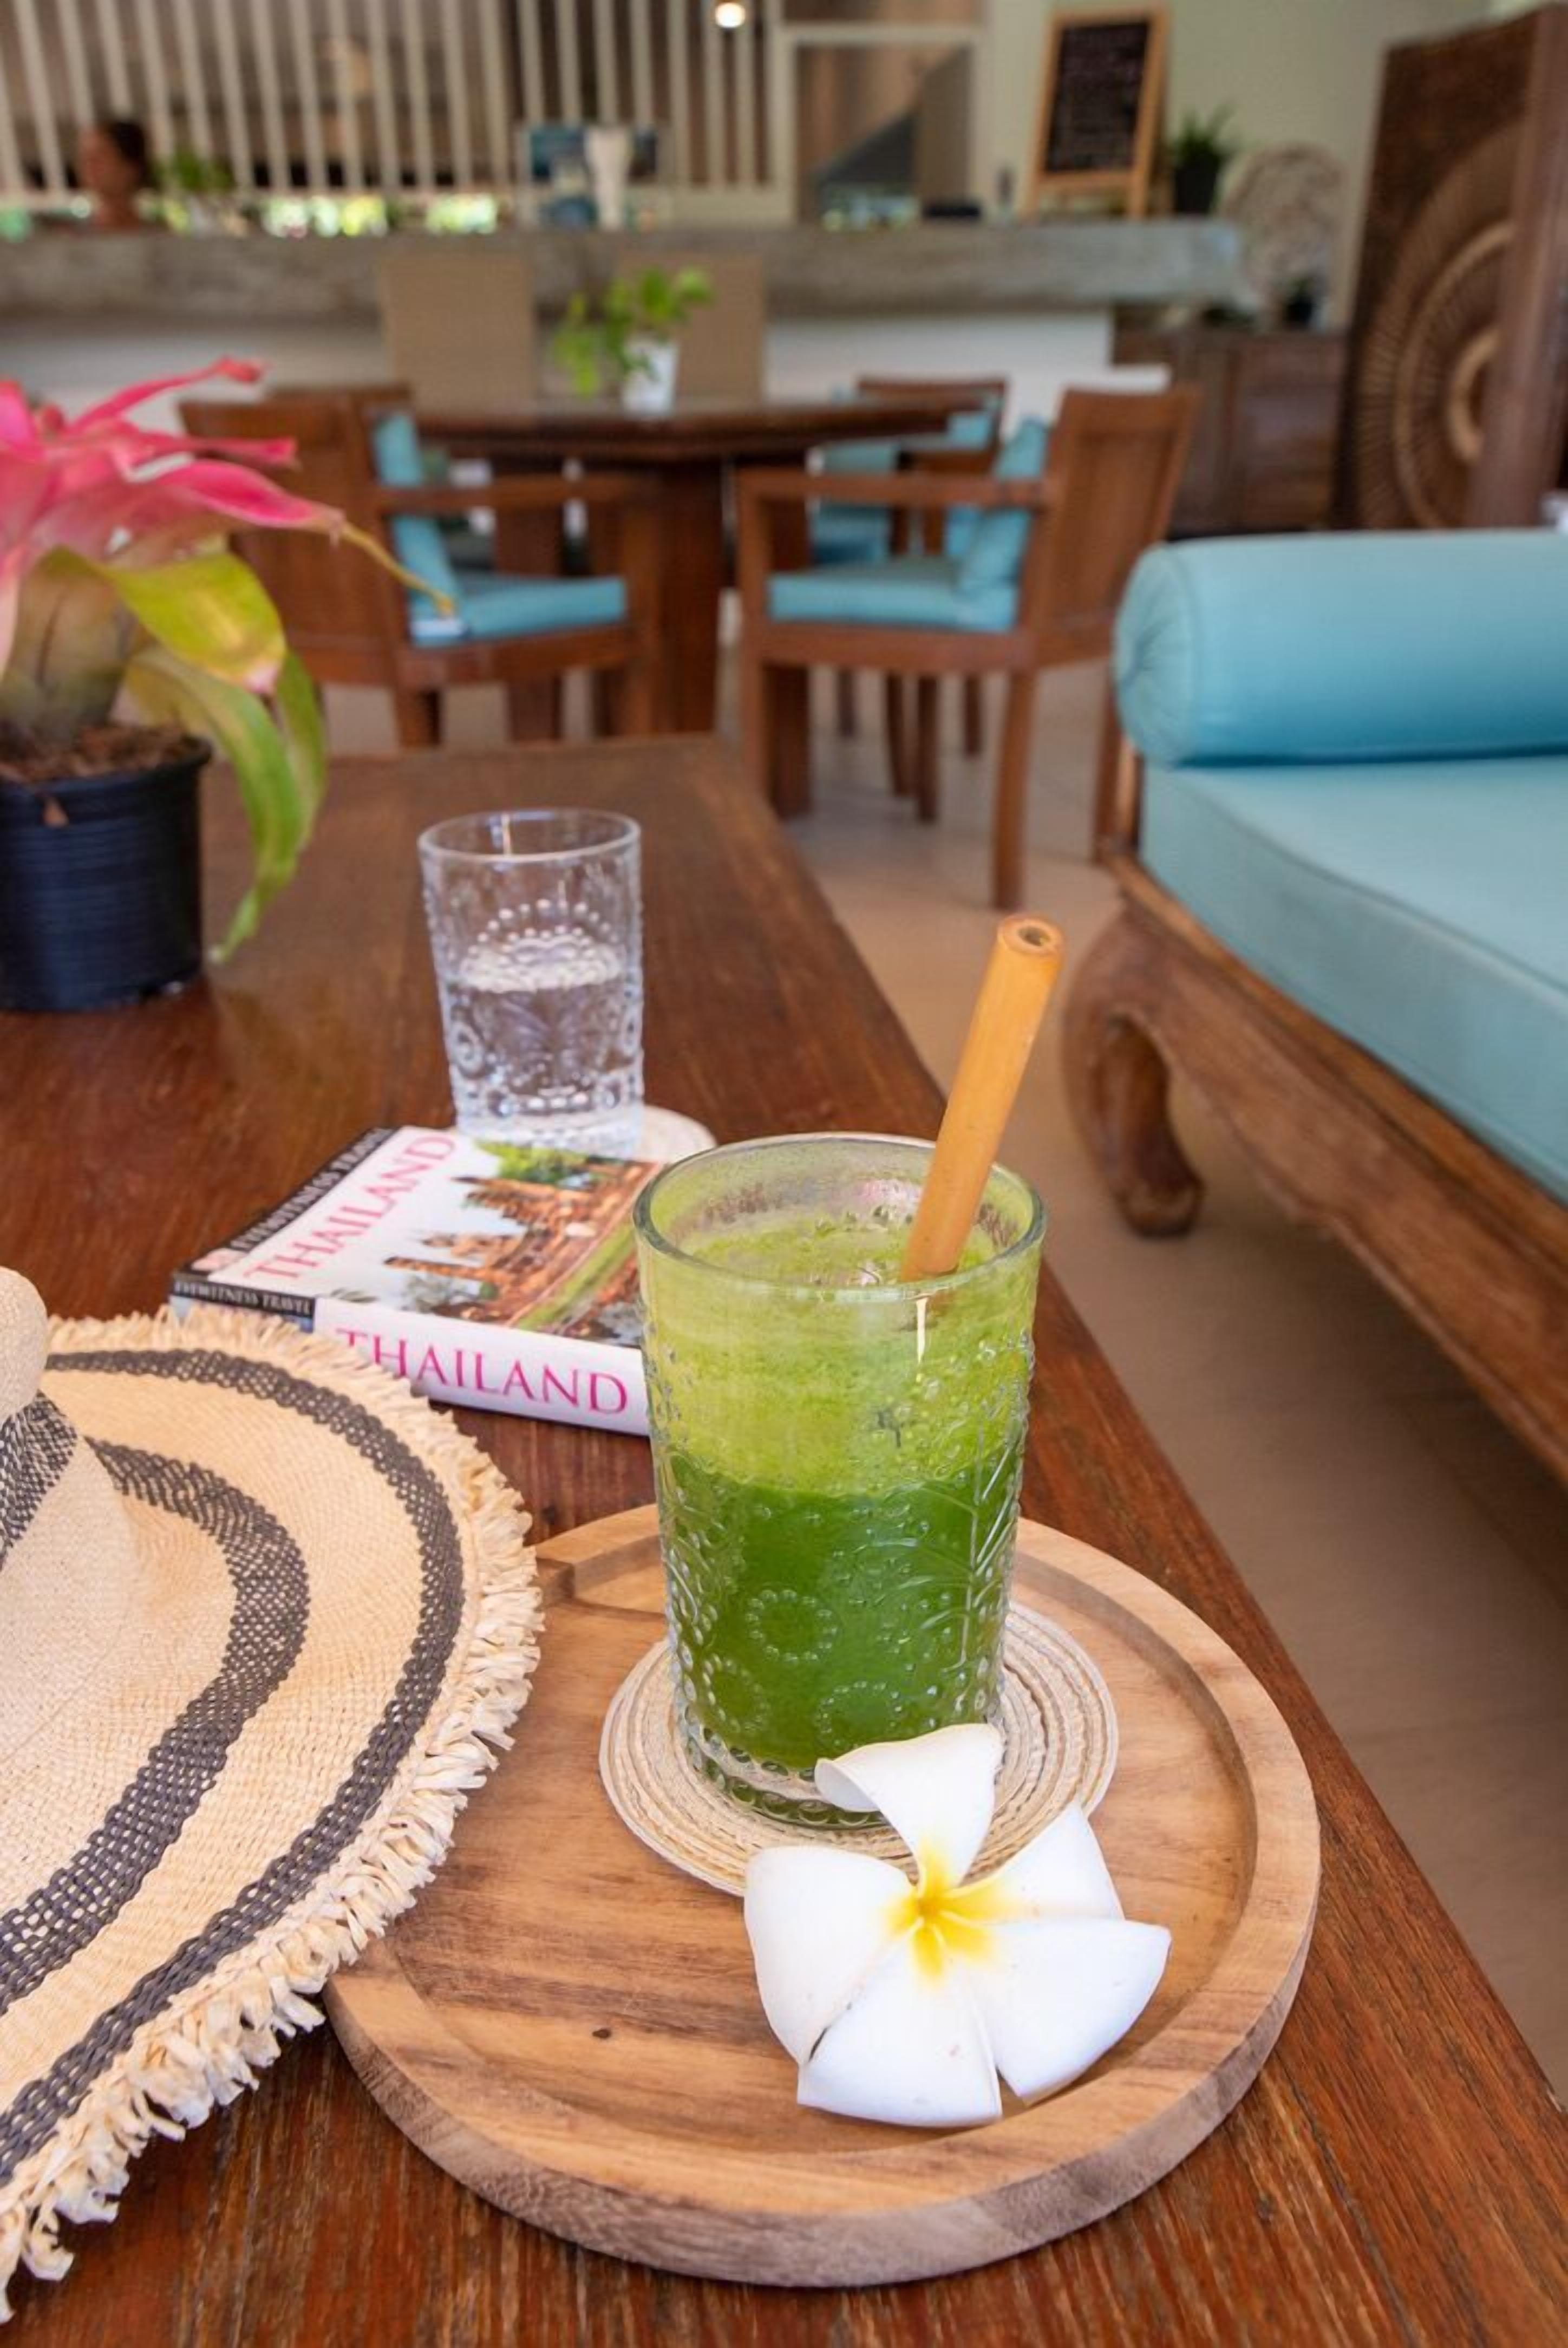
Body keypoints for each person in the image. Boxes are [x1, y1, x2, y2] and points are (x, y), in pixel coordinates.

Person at [76, 118, 153, 231]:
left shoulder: (157, 236)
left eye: (100, 156)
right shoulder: (74, 237)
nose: (89, 166)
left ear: (130, 167)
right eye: (86, 158)